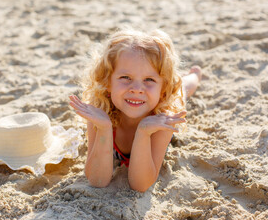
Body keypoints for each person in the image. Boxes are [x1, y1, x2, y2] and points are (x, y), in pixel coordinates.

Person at [69, 28, 202, 192]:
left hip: (159, 109)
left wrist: (144, 132)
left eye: (149, 79)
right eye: (126, 78)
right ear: (107, 82)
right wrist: (104, 128)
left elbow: (140, 185)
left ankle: (195, 75)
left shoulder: (164, 117)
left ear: (163, 89)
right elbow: (97, 181)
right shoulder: (100, 110)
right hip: (119, 112)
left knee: (183, 89)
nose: (137, 89)